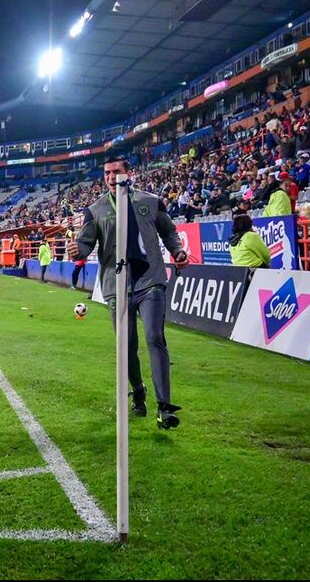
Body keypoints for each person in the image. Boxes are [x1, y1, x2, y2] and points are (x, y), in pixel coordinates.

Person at [68, 155, 189, 430]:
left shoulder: (150, 201)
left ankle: (165, 407)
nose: (111, 177)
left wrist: (178, 252)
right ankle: (139, 391)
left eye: (116, 172)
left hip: (150, 280)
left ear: (127, 173)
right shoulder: (95, 209)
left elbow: (169, 233)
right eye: (107, 173)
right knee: (128, 345)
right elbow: (86, 244)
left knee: (154, 336)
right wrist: (79, 250)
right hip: (116, 285)